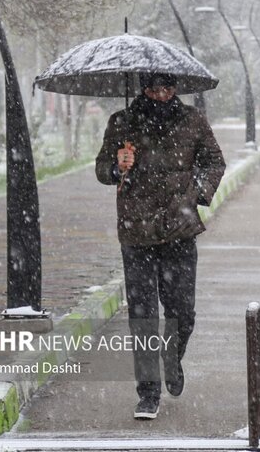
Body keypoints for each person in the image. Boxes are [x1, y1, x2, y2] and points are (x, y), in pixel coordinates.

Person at [96, 73, 226, 420]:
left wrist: (197, 192)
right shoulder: (121, 122)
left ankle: (172, 356)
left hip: (179, 229)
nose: (161, 94)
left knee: (183, 311)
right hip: (136, 231)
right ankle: (148, 393)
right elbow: (101, 168)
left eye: (168, 87)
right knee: (143, 316)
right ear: (144, 88)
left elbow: (215, 162)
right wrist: (116, 166)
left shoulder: (193, 121)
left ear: (176, 89)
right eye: (155, 87)